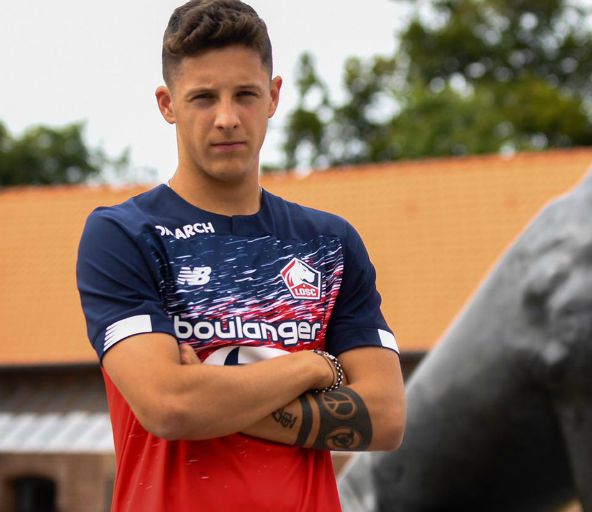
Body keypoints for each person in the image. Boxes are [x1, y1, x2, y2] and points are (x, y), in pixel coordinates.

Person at [75, 1, 405, 510]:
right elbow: (169, 406)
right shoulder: (124, 235)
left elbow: (385, 418)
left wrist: (210, 396)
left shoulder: (330, 242)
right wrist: (314, 367)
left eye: (245, 95)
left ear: (273, 96)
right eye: (203, 97)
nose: (227, 118)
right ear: (167, 104)